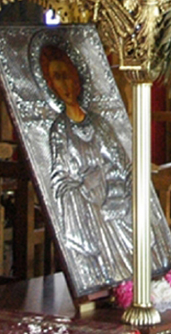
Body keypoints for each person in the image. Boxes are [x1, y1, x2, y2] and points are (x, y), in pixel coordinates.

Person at [40, 43, 133, 291]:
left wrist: (113, 186)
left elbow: (123, 164)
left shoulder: (99, 124)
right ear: (50, 84)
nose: (65, 85)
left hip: (114, 201)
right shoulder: (59, 130)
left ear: (77, 79)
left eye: (68, 76)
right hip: (87, 210)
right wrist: (84, 188)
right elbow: (60, 180)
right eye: (57, 78)